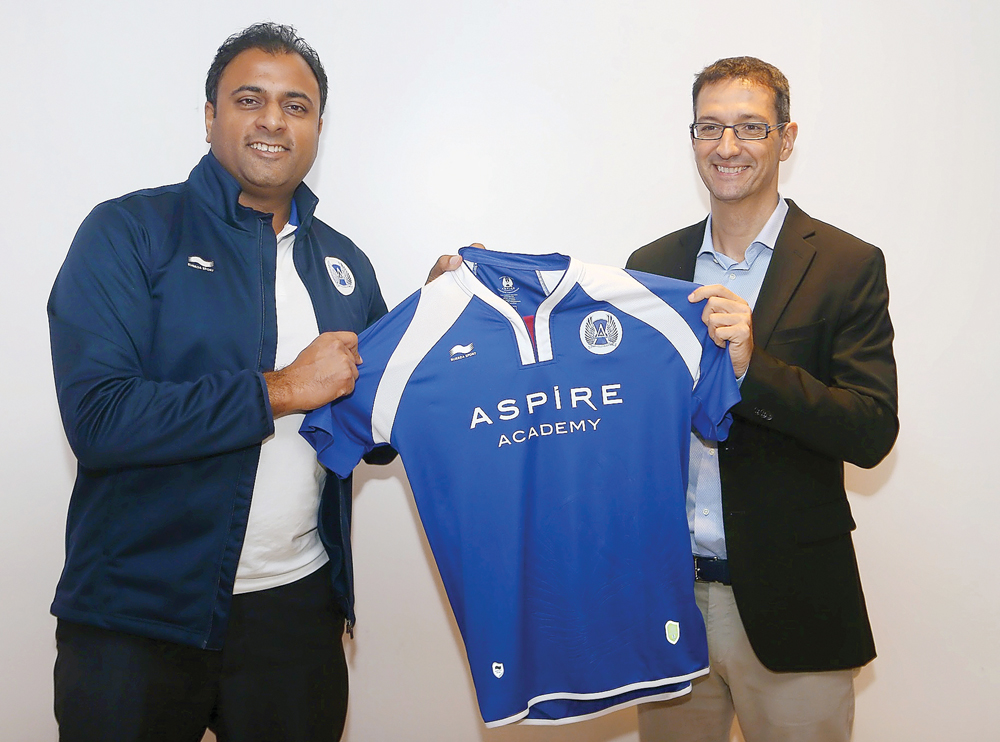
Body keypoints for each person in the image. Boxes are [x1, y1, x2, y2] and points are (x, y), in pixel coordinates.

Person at [48, 22, 393, 742]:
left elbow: (382, 434)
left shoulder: (346, 265)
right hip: (135, 617)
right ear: (211, 116)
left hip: (295, 619)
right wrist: (283, 389)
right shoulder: (128, 231)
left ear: (318, 127)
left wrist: (447, 323)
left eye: (296, 106)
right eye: (249, 99)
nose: (273, 120)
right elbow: (100, 420)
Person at [626, 57, 898, 741]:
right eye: (710, 127)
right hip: (668, 604)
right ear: (691, 137)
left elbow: (870, 431)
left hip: (795, 603)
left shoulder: (846, 264)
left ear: (786, 135)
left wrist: (754, 367)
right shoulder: (649, 266)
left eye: (750, 127)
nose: (727, 147)